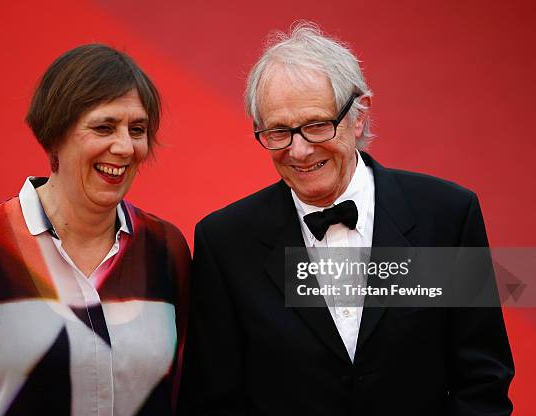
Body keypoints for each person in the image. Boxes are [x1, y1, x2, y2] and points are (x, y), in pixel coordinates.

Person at [179, 23, 514, 415]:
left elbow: (483, 381)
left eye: (317, 125)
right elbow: (213, 401)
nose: (300, 151)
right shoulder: (225, 242)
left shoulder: (446, 217)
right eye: (278, 132)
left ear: (359, 116)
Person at [0, 44, 190, 415]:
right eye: (104, 127)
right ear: (55, 134)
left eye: (138, 129)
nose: (125, 146)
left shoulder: (166, 250)